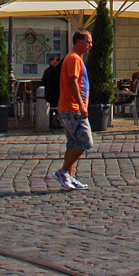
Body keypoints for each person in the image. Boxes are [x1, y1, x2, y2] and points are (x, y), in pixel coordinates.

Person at [53, 29, 93, 191]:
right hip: (72, 108)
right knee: (85, 141)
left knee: (72, 144)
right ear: (78, 42)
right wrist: (82, 106)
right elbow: (73, 82)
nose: (91, 45)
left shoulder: (72, 58)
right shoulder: (74, 59)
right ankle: (63, 172)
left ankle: (67, 177)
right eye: (88, 41)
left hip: (68, 107)